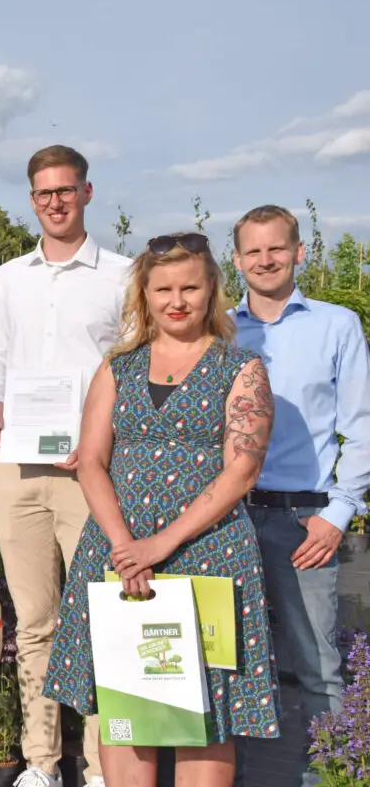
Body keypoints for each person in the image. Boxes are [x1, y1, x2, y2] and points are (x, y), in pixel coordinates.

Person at [44, 233, 281, 787]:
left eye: (191, 287)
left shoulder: (241, 368)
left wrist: (160, 544)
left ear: (212, 290)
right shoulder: (117, 368)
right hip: (118, 552)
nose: (178, 300)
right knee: (127, 704)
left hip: (209, 553)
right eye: (164, 288)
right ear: (144, 295)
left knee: (206, 708)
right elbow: (92, 463)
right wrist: (127, 547)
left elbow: (241, 472)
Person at [0, 145, 130, 787]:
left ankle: (100, 766)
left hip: (86, 471)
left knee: (99, 617)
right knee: (35, 621)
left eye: (66, 190)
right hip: (18, 470)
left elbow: (131, 368)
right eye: (43, 193)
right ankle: (40, 762)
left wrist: (100, 435)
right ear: (32, 199)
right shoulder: (10, 275)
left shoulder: (123, 275)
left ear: (88, 193)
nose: (55, 202)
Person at [230, 205, 370, 787]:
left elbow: (361, 427)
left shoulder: (336, 326)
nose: (265, 260)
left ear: (299, 251)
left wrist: (338, 514)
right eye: (253, 251)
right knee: (225, 657)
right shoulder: (220, 329)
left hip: (305, 520)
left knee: (317, 665)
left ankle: (327, 774)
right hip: (227, 516)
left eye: (276, 248)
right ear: (235, 259)